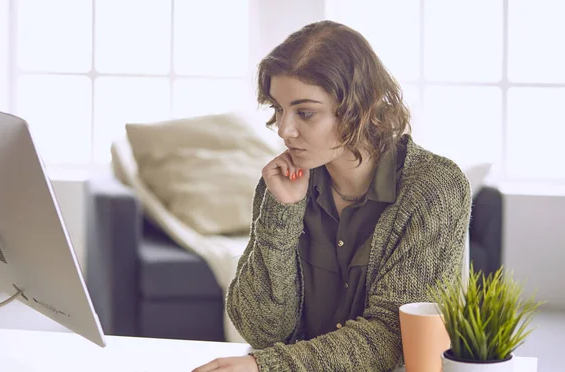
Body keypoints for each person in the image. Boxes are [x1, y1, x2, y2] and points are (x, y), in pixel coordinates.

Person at [193, 20, 471, 372]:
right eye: (278, 108)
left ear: (359, 107)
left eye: (305, 113)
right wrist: (282, 213)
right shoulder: (283, 183)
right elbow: (261, 329)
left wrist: (268, 367)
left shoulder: (434, 188)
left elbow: (394, 338)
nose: (284, 129)